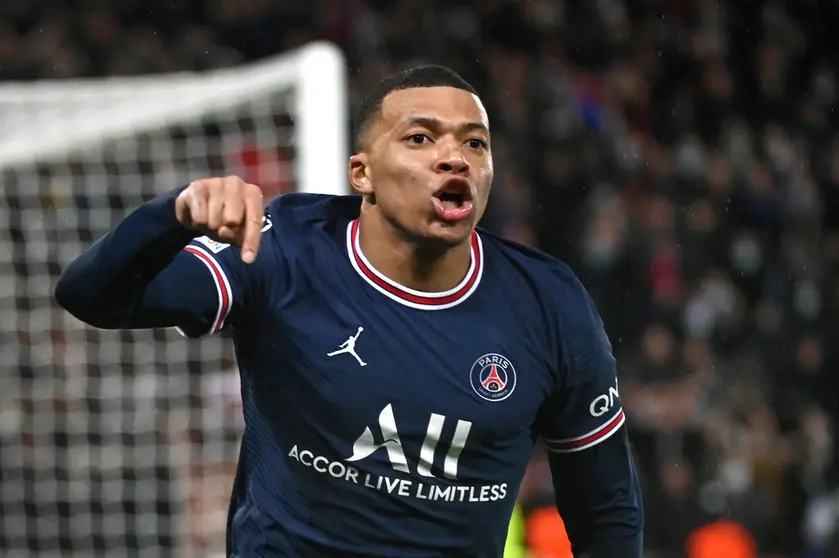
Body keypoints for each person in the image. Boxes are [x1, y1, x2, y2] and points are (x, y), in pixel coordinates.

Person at [55, 65, 643, 557]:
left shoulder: (549, 303)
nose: (454, 158)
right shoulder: (284, 248)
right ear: (361, 173)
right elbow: (91, 296)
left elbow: (606, 510)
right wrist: (172, 216)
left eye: (475, 142)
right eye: (420, 138)